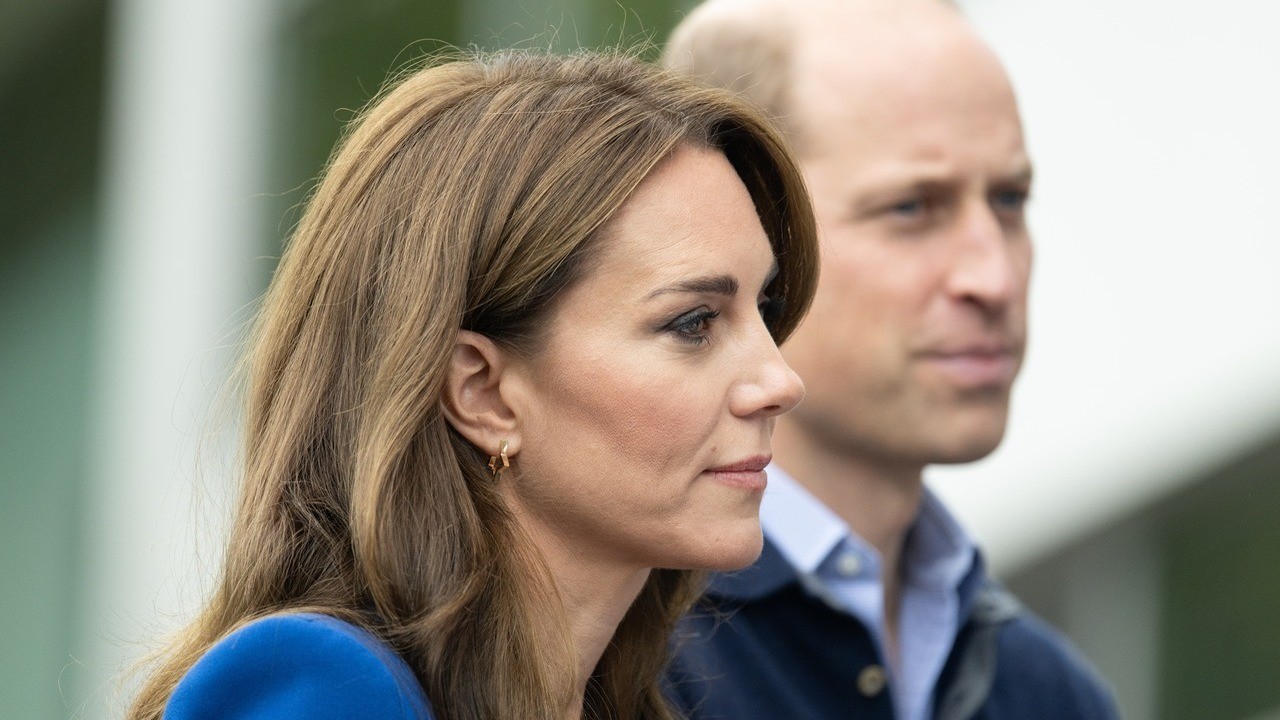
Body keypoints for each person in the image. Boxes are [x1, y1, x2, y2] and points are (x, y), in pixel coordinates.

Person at [126, 49, 820, 720]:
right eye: (693, 323)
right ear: (482, 394)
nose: (779, 382)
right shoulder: (323, 692)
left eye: (765, 309)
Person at [662, 2, 1121, 719]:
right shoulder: (606, 662)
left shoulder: (1049, 693)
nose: (994, 277)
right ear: (735, 227)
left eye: (1009, 200)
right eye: (911, 208)